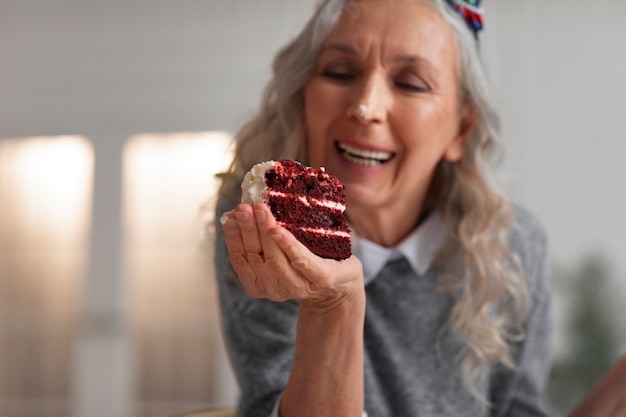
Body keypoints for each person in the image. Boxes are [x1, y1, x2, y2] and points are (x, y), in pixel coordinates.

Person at [213, 0, 626, 416]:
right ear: (303, 95)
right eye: (340, 72)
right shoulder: (264, 223)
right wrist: (335, 303)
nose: (365, 106)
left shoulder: (513, 243)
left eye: (411, 83)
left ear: (461, 129)